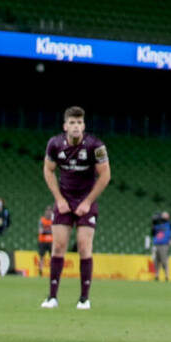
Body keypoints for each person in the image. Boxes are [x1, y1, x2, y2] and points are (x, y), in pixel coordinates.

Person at [41, 106, 110, 310]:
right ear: (65, 126)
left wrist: (87, 202)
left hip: (86, 200)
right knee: (58, 246)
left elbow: (105, 175)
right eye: (72, 122)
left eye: (79, 122)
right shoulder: (54, 144)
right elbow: (48, 170)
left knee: (83, 246)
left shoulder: (95, 145)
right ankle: (52, 297)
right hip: (64, 200)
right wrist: (59, 199)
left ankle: (84, 299)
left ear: (84, 125)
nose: (76, 126)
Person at [150, 211, 171, 280]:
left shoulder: (169, 224)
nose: (164, 216)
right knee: (156, 260)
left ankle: (167, 275)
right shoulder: (156, 224)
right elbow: (152, 234)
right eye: (163, 215)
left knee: (164, 260)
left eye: (166, 215)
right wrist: (152, 225)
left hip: (164, 245)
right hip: (156, 244)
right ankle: (156, 275)